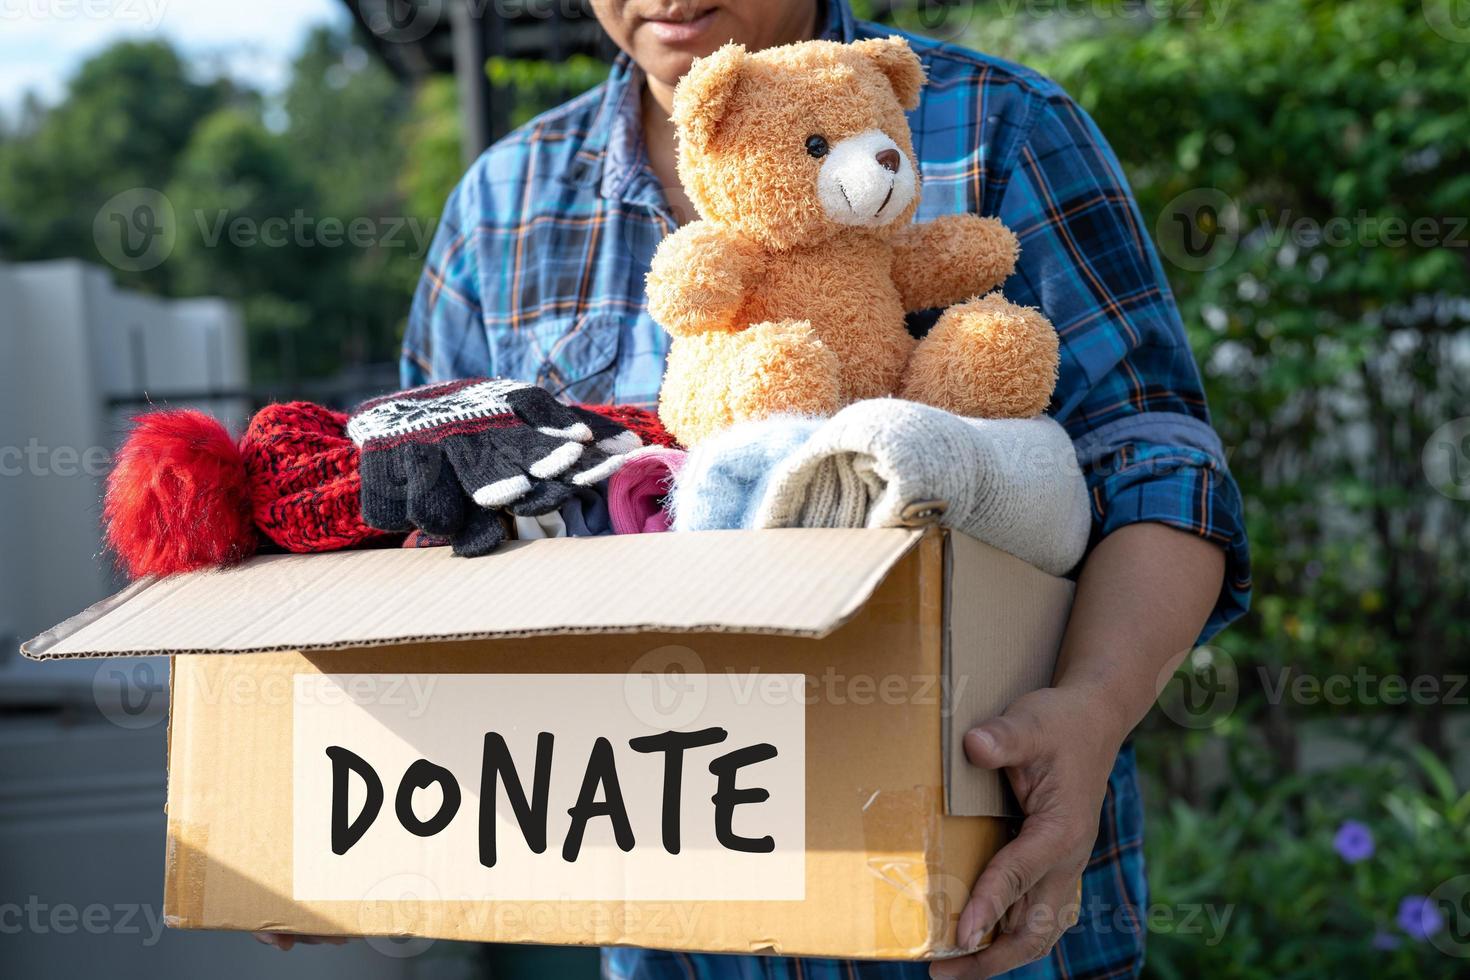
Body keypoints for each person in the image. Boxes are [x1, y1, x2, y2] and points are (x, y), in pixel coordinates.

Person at [262, 1, 1250, 977]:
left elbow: (1154, 460)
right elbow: (425, 522)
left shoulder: (997, 124)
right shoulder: (502, 202)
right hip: (674, 937)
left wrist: (1093, 707)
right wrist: (362, 798)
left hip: (976, 921)